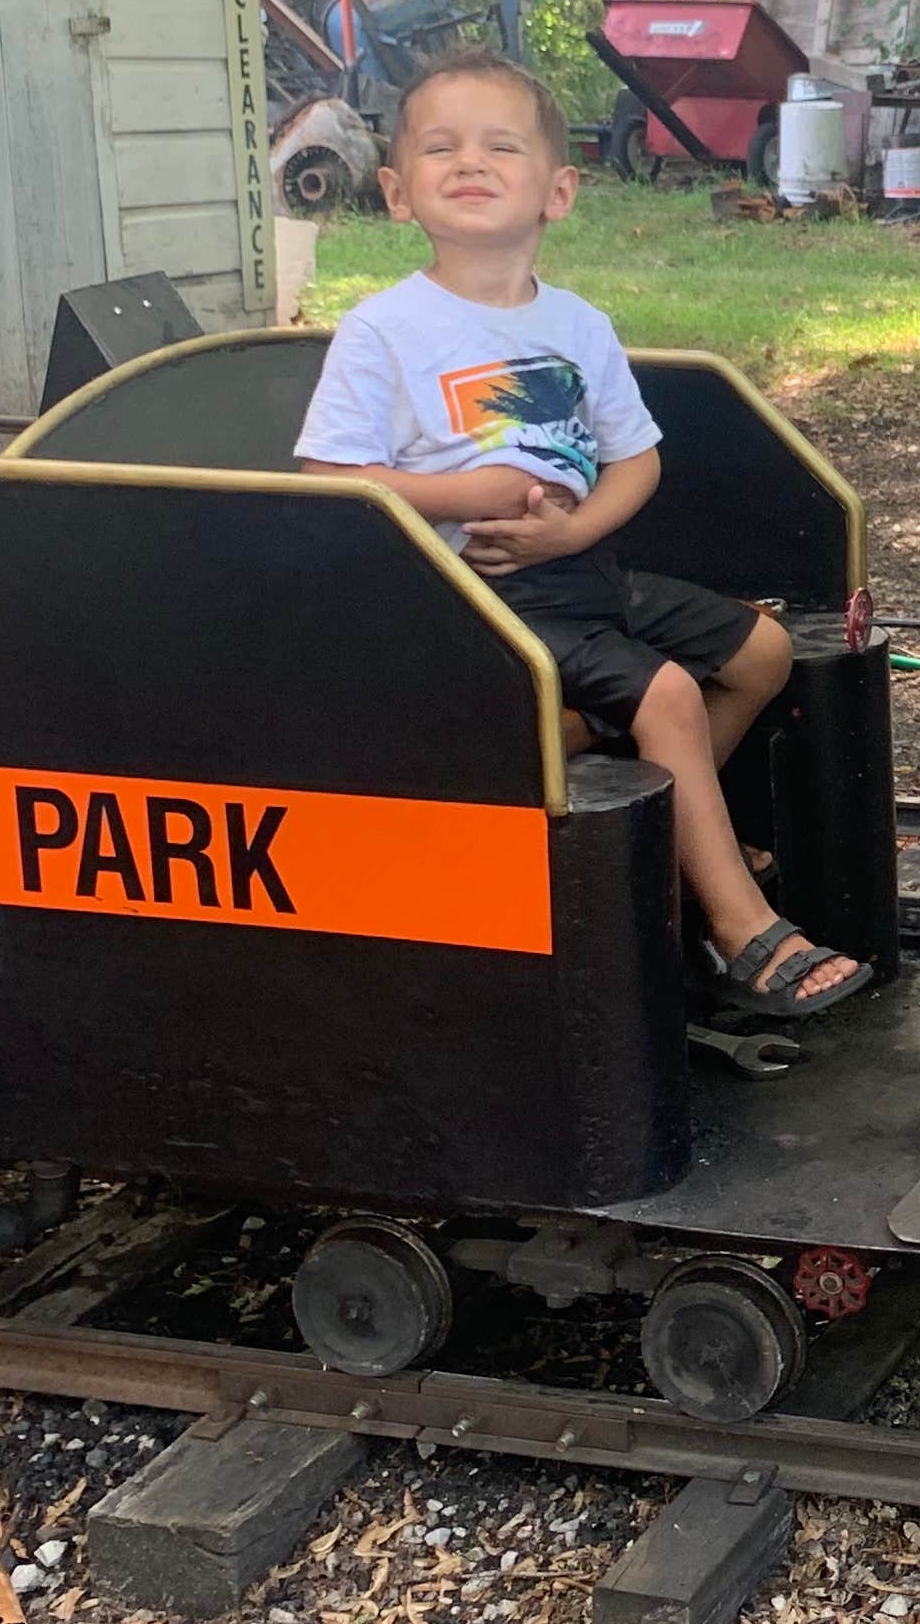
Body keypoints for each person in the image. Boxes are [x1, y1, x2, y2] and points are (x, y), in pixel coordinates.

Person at [293, 51, 863, 1019]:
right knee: (673, 692)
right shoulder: (383, 331)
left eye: (499, 146)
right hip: (472, 601)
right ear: (396, 192)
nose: (469, 162)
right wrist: (466, 491)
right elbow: (328, 483)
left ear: (558, 191)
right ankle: (742, 930)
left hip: (576, 570)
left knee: (763, 652)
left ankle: (670, 842)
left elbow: (636, 461)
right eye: (440, 148)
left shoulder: (577, 326)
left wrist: (574, 534)